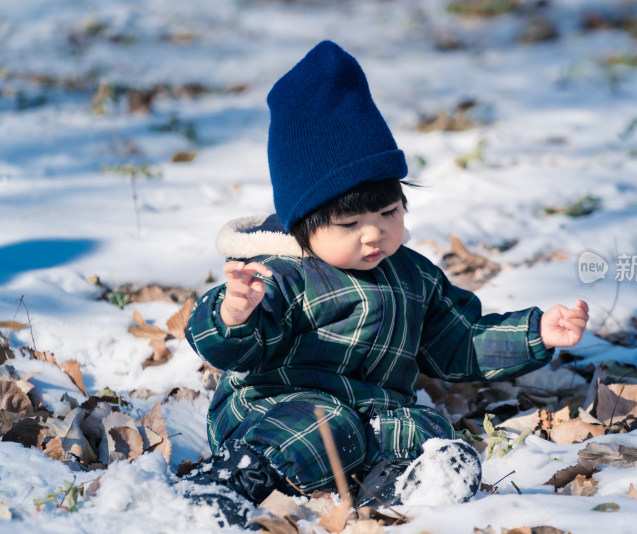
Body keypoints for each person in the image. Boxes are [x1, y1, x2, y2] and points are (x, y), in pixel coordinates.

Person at [184, 40, 589, 526]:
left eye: (388, 212)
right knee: (321, 429)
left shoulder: (413, 276)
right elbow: (231, 351)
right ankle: (228, 484)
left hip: (373, 412)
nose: (374, 232)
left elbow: (458, 343)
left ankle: (404, 486)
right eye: (350, 223)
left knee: (425, 427)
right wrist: (232, 315)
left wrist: (535, 332)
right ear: (302, 225)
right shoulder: (280, 274)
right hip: (280, 408)